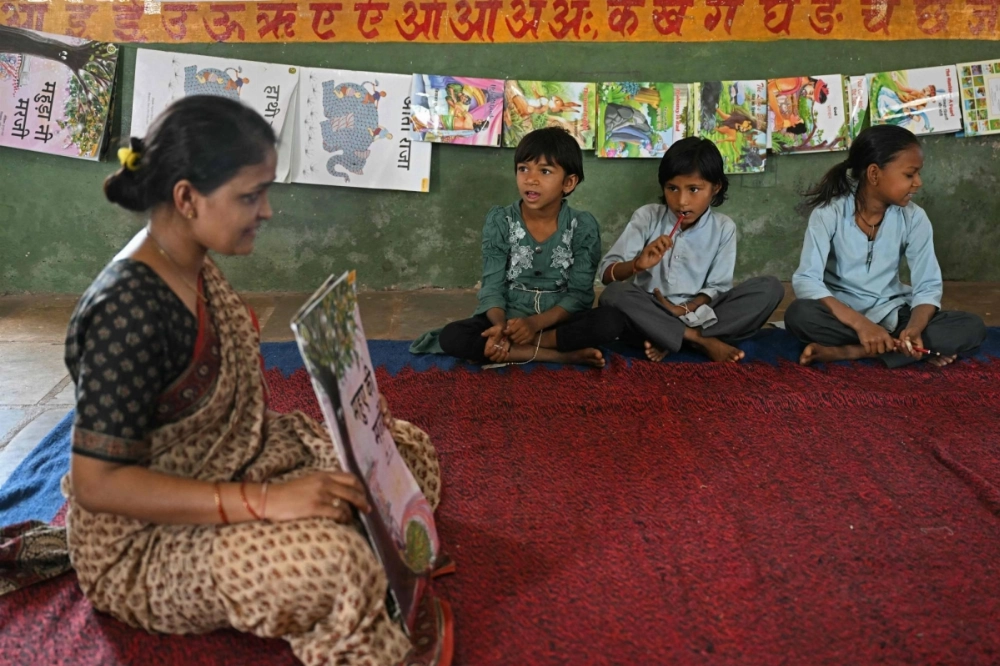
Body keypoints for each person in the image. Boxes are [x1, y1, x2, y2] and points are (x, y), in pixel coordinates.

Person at [58, 96, 450, 666]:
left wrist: (354, 415)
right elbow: (98, 484)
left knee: (401, 450)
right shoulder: (127, 309)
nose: (265, 211)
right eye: (250, 195)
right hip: (144, 542)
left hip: (238, 460)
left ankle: (376, 558)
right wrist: (266, 501)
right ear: (187, 198)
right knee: (336, 564)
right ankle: (366, 615)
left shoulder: (189, 262)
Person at [410, 127, 625, 367]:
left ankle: (520, 346)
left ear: (569, 182)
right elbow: (492, 288)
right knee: (453, 337)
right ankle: (560, 355)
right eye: (523, 169)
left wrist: (533, 325)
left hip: (558, 319)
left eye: (544, 171)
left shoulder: (582, 226)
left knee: (610, 321)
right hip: (508, 316)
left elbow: (579, 295)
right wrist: (501, 328)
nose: (530, 179)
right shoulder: (500, 220)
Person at [785, 124, 986, 367]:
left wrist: (914, 329)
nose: (918, 183)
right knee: (799, 315)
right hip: (844, 316)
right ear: (874, 174)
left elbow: (928, 286)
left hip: (893, 314)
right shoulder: (828, 214)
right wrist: (862, 325)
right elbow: (807, 280)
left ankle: (852, 352)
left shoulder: (914, 218)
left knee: (971, 327)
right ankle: (905, 351)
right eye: (909, 174)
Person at [598, 137, 784, 363]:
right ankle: (698, 340)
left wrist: (683, 310)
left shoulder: (724, 227)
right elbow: (607, 275)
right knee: (614, 295)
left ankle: (669, 337)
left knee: (770, 289)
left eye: (694, 189)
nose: (681, 201)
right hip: (650, 310)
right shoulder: (647, 217)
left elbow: (717, 287)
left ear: (715, 188)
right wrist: (636, 265)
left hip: (700, 311)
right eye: (672, 188)